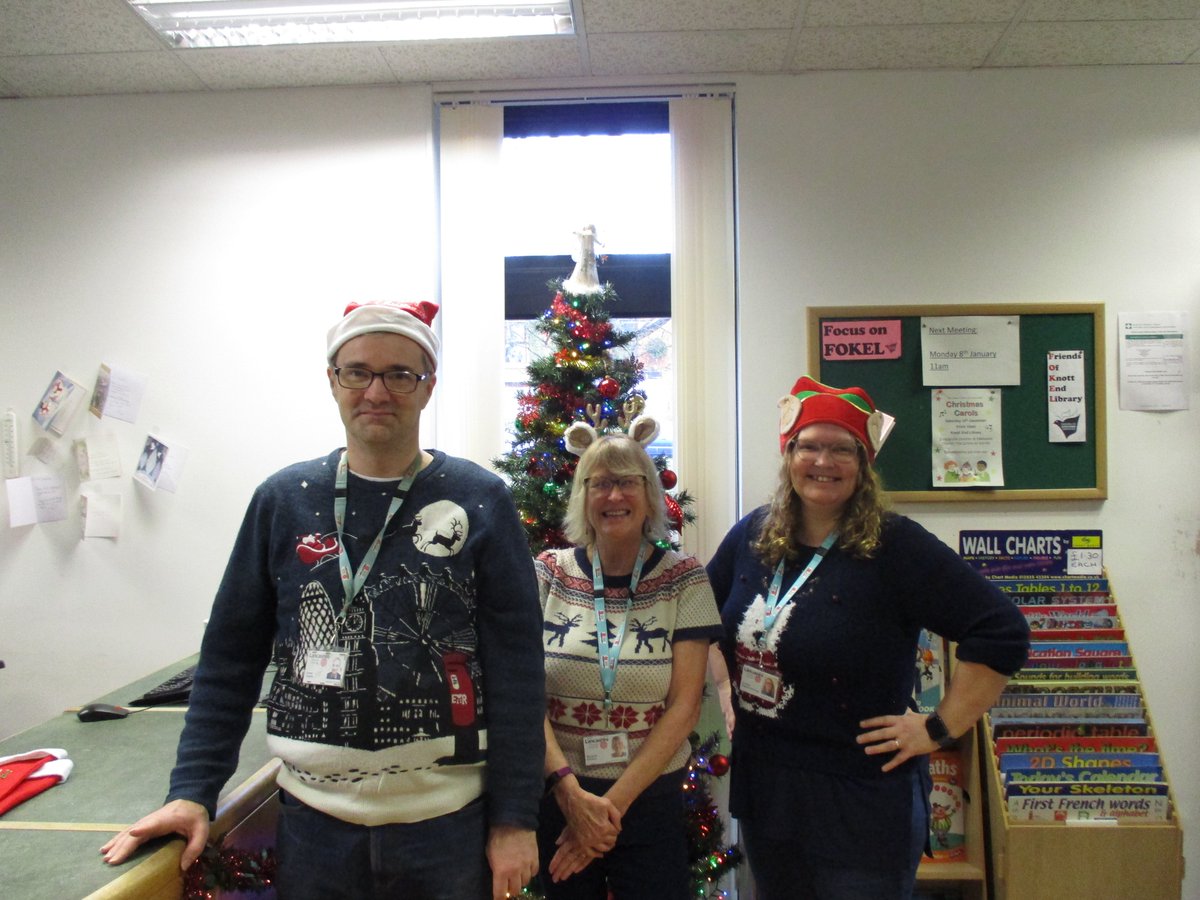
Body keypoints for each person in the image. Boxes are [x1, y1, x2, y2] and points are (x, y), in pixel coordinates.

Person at [101, 301, 545, 900]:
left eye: (400, 374)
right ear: (333, 380)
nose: (376, 391)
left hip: (446, 830)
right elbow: (229, 658)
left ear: (428, 385)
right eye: (357, 372)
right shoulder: (283, 500)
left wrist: (515, 819)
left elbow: (517, 672)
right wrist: (191, 790)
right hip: (314, 829)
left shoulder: (481, 500)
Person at [706, 376, 1030, 900]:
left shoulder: (895, 546)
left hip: (860, 800)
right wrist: (725, 688)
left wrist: (939, 727)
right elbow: (701, 618)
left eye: (841, 449)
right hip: (769, 787)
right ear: (788, 456)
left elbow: (1001, 631)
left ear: (863, 463)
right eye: (808, 446)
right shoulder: (755, 534)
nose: (823, 462)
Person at [535, 426, 723, 899]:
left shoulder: (684, 578)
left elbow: (684, 706)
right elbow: (522, 697)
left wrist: (604, 812)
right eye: (599, 483)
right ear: (582, 496)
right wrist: (570, 797)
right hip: (560, 793)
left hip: (648, 798)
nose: (613, 495)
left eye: (628, 482)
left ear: (650, 494)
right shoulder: (547, 572)